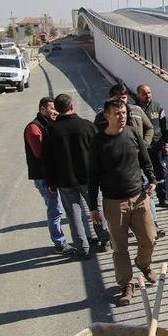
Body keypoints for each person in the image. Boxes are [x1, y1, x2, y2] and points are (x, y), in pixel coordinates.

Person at [88, 98, 158, 306]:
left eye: (124, 113)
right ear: (107, 116)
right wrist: (93, 207)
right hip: (113, 203)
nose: (122, 117)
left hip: (139, 197)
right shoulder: (98, 142)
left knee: (149, 239)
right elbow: (92, 177)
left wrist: (152, 179)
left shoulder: (133, 133)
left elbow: (145, 160)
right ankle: (127, 285)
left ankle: (143, 263)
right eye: (117, 114)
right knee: (120, 248)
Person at [95, 83, 165, 238]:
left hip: (138, 160)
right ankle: (129, 227)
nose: (122, 101)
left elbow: (150, 128)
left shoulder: (136, 111)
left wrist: (144, 145)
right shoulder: (102, 117)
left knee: (146, 193)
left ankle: (153, 224)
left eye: (124, 98)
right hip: (117, 166)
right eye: (118, 98)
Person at [43, 93, 109, 259]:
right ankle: (104, 239)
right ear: (72, 106)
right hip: (89, 178)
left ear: (57, 109)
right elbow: (99, 152)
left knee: (73, 214)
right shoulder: (86, 125)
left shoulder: (50, 130)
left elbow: (47, 159)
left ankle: (82, 247)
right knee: (96, 208)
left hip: (65, 180)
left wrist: (50, 181)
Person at [24, 97, 71, 254]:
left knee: (62, 207)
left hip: (54, 175)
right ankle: (59, 243)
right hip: (44, 177)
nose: (56, 112)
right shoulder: (34, 128)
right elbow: (40, 153)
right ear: (42, 110)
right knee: (55, 209)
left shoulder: (50, 124)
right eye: (52, 109)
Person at [136, 84, 168, 208]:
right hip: (141, 148)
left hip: (157, 146)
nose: (147, 95)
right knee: (140, 173)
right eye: (144, 93)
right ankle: (143, 201)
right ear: (138, 95)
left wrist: (166, 144)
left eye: (149, 93)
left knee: (160, 173)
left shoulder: (158, 107)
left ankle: (162, 199)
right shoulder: (134, 109)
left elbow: (165, 127)